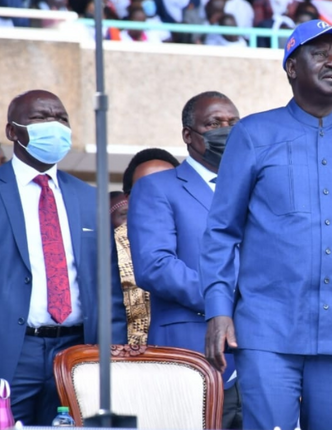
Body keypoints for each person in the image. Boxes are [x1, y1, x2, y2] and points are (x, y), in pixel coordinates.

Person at [199, 20, 332, 430]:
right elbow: (221, 231)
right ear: (292, 67)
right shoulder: (253, 133)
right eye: (320, 53)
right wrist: (218, 310)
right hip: (267, 333)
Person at [0, 90, 127, 425]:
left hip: (77, 350)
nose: (54, 125)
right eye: (40, 117)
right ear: (13, 131)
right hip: (11, 350)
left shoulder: (90, 199)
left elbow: (108, 289)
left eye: (61, 118)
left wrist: (112, 356)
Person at [128, 92, 242, 428]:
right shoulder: (157, 187)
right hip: (190, 348)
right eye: (214, 123)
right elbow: (155, 266)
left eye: (233, 123)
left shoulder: (255, 188)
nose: (226, 130)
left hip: (257, 356)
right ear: (188, 135)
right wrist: (226, 301)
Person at [116, 148, 180, 346]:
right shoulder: (109, 245)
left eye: (168, 187)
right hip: (125, 359)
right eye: (147, 189)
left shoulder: (201, 237)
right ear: (127, 198)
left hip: (185, 351)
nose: (158, 196)